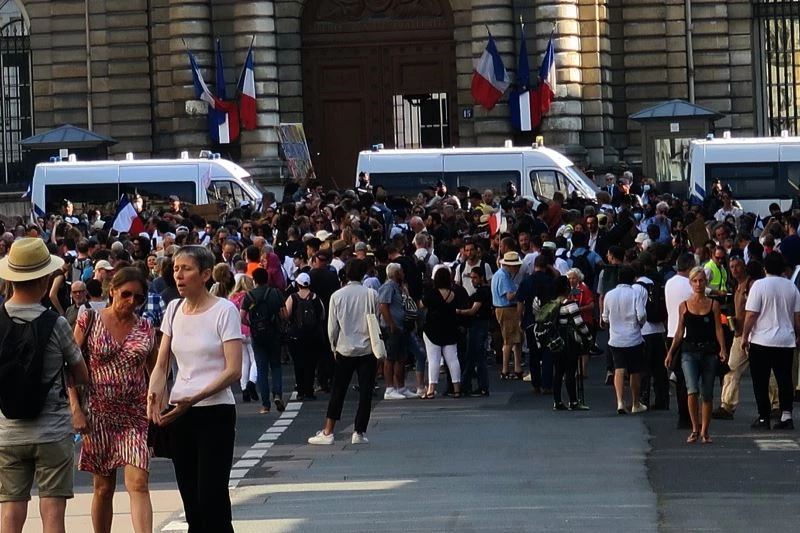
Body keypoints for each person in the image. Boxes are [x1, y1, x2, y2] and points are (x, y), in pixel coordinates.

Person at [147, 245, 243, 533]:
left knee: (211, 497)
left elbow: (234, 370)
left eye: (186, 269)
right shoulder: (174, 309)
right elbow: (161, 365)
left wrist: (196, 397)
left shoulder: (224, 310)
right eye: (176, 269)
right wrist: (153, 398)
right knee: (191, 501)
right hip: (180, 414)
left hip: (215, 411)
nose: (179, 275)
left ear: (205, 274)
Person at [0, 238, 89, 533]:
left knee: (10, 509)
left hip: (7, 431)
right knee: (52, 512)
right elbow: (81, 373)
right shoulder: (56, 323)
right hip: (52, 429)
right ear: (43, 279)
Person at [72, 267, 156, 533]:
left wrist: (158, 401)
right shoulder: (89, 320)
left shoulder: (145, 327)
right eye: (126, 294)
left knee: (139, 482)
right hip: (98, 413)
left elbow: (156, 370)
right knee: (103, 488)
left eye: (139, 298)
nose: (132, 302)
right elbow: (69, 364)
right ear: (112, 291)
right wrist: (75, 408)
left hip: (135, 415)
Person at [308, 259, 379, 445]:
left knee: (338, 390)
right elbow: (376, 319)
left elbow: (332, 326)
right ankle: (359, 431)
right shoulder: (371, 294)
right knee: (365, 392)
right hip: (367, 348)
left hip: (344, 347)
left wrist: (333, 346)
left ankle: (328, 430)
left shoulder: (337, 296)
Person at [665, 267, 727, 444]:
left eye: (701, 281)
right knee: (692, 389)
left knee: (707, 393)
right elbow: (679, 332)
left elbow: (718, 328)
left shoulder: (713, 305)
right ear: (690, 283)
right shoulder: (684, 306)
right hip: (689, 351)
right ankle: (694, 428)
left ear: (705, 282)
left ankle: (705, 431)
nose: (698, 284)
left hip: (709, 351)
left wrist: (722, 348)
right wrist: (670, 352)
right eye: (695, 281)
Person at [742, 252, 800, 430]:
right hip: (785, 340)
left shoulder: (759, 285)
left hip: (761, 340)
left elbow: (751, 314)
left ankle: (763, 417)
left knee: (760, 380)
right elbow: (797, 316)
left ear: (765, 268)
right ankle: (786, 415)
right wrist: (798, 334)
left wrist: (744, 336)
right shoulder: (791, 287)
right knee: (784, 379)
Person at [602, 266, 647, 415]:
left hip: (615, 338)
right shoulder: (635, 294)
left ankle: (620, 401)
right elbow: (641, 315)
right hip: (633, 337)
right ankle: (635, 403)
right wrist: (639, 324)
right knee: (635, 370)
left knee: (618, 368)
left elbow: (605, 317)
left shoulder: (609, 295)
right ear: (633, 279)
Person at [241, 267, 285, 413]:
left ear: (254, 281)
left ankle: (265, 405)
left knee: (261, 369)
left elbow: (241, 316)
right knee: (276, 366)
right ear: (267, 279)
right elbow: (284, 314)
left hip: (257, 335)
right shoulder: (275, 293)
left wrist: (251, 324)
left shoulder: (249, 295)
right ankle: (277, 394)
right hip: (274, 333)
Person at [549, 276, 592, 411]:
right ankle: (573, 400)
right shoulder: (570, 304)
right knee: (570, 370)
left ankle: (557, 401)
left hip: (556, 339)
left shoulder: (553, 303)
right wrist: (588, 336)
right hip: (569, 339)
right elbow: (579, 323)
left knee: (558, 371)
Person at [665, 253, 696, 429]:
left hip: (671, 332)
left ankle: (683, 414)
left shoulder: (670, 283)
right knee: (688, 378)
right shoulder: (689, 285)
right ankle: (688, 415)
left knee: (680, 377)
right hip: (687, 334)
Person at [421, 267, 462, 398]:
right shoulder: (453, 294)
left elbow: (421, 305)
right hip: (450, 329)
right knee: (453, 359)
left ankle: (431, 389)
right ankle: (457, 388)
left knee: (433, 359)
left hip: (433, 329)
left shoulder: (431, 293)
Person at [283, 272, 325, 401]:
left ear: (298, 284)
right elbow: (322, 315)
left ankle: (300, 390)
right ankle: (309, 390)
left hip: (296, 336)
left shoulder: (293, 297)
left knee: (298, 363)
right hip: (313, 336)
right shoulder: (316, 297)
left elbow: (286, 315)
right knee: (311, 363)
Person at [378, 263, 416, 399]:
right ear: (396, 273)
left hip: (401, 326)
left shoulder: (399, 287)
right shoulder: (388, 287)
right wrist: (391, 324)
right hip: (392, 327)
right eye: (401, 271)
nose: (403, 273)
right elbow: (383, 306)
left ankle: (401, 387)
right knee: (391, 357)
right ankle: (389, 388)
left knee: (401, 357)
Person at [457, 266, 492, 396]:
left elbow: (473, 310)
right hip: (480, 325)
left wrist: (458, 311)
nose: (472, 281)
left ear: (482, 277)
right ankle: (467, 385)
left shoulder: (481, 293)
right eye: (471, 278)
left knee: (476, 357)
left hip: (478, 326)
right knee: (473, 357)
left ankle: (479, 386)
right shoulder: (484, 291)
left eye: (475, 278)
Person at [491, 251, 523, 380]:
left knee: (516, 338)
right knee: (509, 340)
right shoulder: (503, 276)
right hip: (507, 309)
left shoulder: (501, 274)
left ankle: (517, 367)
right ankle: (505, 369)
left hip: (504, 309)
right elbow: (509, 296)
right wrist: (520, 290)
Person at [228, 275, 259, 403]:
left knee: (244, 362)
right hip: (250, 330)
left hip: (237, 332)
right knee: (255, 359)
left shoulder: (232, 298)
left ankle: (244, 388)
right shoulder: (250, 297)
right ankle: (252, 382)